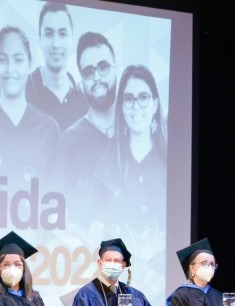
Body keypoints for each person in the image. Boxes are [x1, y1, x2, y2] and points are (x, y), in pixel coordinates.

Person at [0, 25, 60, 191]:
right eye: (3, 60)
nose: (10, 69)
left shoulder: (48, 129)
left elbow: (55, 199)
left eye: (18, 60)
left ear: (30, 64)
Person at [94, 64, 167, 229]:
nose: (135, 106)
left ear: (155, 104)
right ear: (121, 106)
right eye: (128, 99)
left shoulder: (171, 164)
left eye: (143, 97)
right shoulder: (106, 164)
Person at [57, 32, 118, 226]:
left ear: (116, 69)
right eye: (89, 72)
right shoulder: (69, 140)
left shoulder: (137, 131)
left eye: (103, 67)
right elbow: (64, 212)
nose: (97, 77)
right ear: (81, 82)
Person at [26, 2, 87, 134]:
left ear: (72, 40)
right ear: (40, 40)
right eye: (48, 34)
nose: (56, 44)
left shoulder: (84, 99)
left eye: (62, 34)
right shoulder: (22, 91)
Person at [69, 238, 158, 306]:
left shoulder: (135, 296)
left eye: (116, 261)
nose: (112, 264)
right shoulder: (85, 295)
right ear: (100, 263)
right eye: (108, 260)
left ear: (123, 266)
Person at [166, 238, 226, 306]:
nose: (209, 267)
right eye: (203, 263)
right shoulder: (180, 296)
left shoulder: (219, 296)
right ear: (192, 268)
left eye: (212, 264)